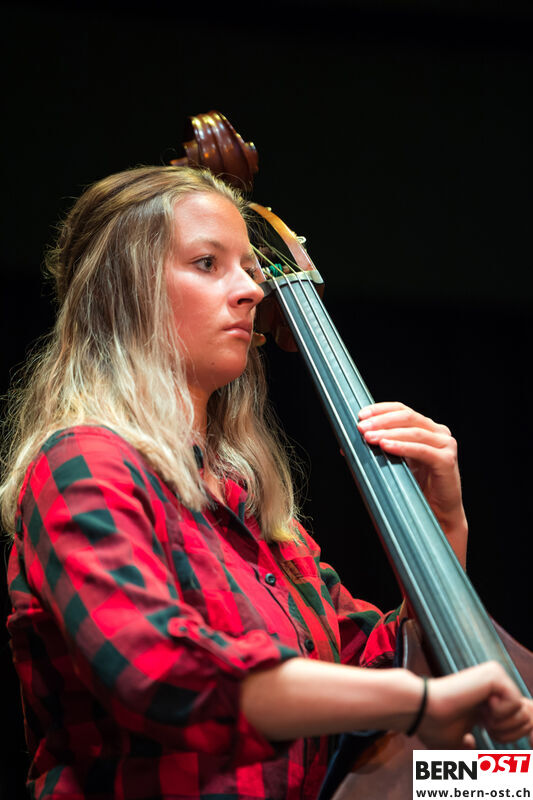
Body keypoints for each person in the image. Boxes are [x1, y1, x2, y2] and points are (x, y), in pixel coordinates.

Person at [1, 165, 531, 800]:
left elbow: (376, 662)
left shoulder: (254, 516)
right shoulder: (84, 464)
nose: (253, 290)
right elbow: (159, 672)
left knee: (503, 783)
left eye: (252, 270)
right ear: (123, 291)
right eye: (207, 263)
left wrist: (444, 523)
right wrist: (414, 701)